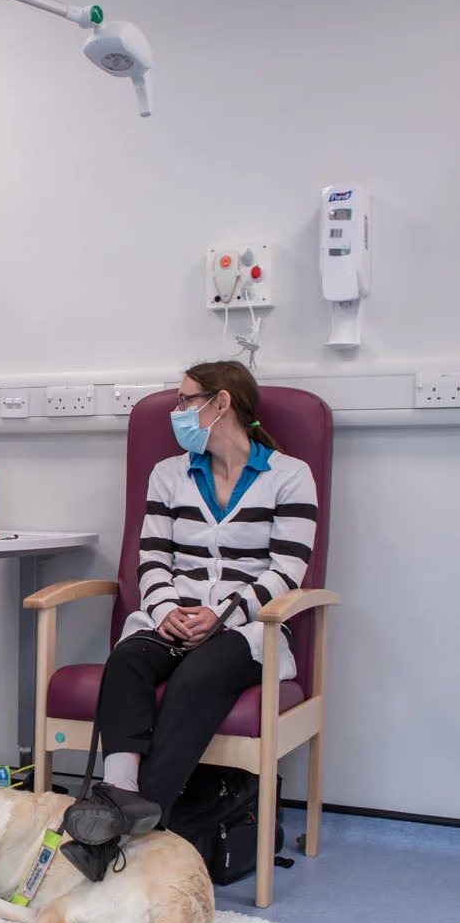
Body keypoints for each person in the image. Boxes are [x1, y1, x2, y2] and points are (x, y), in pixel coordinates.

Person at [91, 359, 318, 841]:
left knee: (196, 676)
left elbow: (287, 571)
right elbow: (151, 557)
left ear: (221, 403)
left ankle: (136, 825)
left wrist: (222, 615)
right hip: (175, 616)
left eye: (185, 399)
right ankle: (117, 794)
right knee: (128, 659)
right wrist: (165, 610)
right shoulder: (168, 475)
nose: (176, 410)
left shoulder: (290, 477)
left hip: (250, 628)